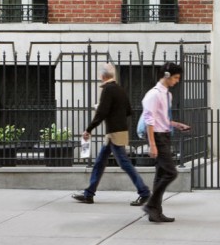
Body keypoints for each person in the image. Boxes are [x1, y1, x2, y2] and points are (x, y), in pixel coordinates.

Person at [72, 63, 151, 206]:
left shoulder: (108, 90)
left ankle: (144, 192)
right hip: (118, 131)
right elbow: (128, 110)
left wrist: (88, 129)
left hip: (114, 133)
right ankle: (88, 194)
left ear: (102, 76)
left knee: (125, 164)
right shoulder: (120, 90)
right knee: (99, 163)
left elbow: (102, 113)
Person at [140, 61, 190, 223]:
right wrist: (152, 144)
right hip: (157, 136)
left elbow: (163, 119)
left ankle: (156, 212)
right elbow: (149, 120)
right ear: (167, 76)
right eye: (175, 77)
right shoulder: (153, 94)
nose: (177, 81)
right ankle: (151, 205)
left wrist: (176, 124)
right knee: (171, 172)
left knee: (161, 174)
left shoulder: (167, 94)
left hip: (165, 135)